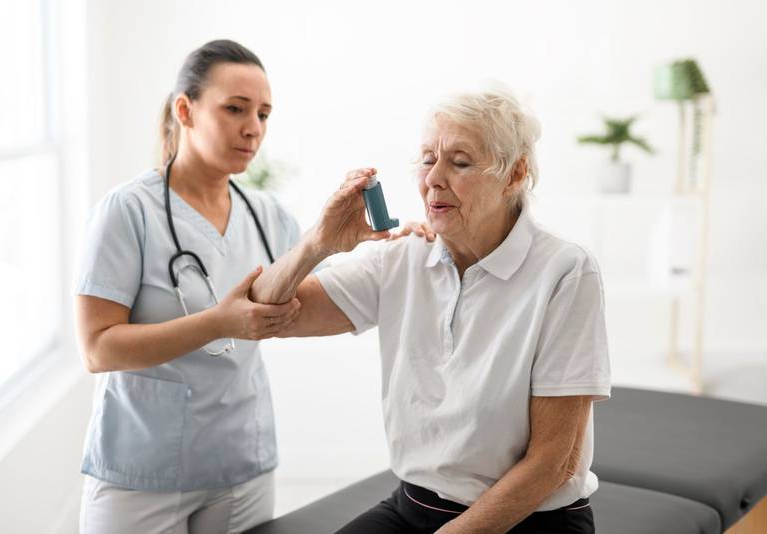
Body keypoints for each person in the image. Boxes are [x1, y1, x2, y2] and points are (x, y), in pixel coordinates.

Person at [73, 38, 430, 534]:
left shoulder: (266, 215)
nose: (253, 128)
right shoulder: (127, 211)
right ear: (185, 110)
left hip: (240, 464)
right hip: (142, 468)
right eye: (235, 109)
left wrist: (393, 250)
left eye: (263, 114)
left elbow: (311, 303)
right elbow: (97, 349)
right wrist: (218, 323)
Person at [248, 85, 612, 533]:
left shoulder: (565, 271)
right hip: (415, 507)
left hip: (531, 520)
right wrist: (318, 242)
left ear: (514, 174)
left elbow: (553, 463)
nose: (434, 178)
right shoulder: (402, 257)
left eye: (460, 162)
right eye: (427, 159)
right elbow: (264, 314)